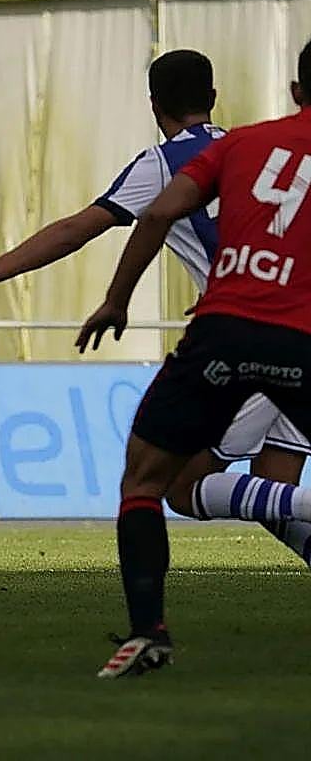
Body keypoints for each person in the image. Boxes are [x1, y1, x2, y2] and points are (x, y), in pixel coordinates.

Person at [0, 49, 311, 566]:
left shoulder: (169, 163)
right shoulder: (251, 150)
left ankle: (148, 629)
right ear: (213, 98)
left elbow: (75, 229)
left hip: (249, 335)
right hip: (294, 324)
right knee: (273, 490)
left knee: (177, 482)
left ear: (154, 105)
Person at [77, 38, 311, 678]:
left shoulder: (238, 145)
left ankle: (147, 633)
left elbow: (156, 214)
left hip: (229, 331)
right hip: (303, 334)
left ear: (295, 92)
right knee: (256, 482)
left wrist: (116, 300)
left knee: (148, 482)